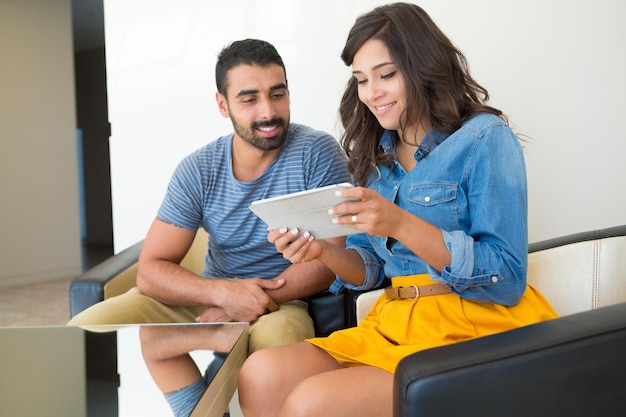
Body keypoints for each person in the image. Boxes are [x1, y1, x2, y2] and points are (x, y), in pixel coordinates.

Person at [237, 4, 558, 417]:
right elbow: (369, 267)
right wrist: (322, 252)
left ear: (423, 65)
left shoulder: (485, 139)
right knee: (260, 373)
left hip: (470, 325)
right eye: (361, 80)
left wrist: (400, 223)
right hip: (394, 320)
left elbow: (507, 278)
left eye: (386, 75)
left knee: (309, 405)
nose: (372, 93)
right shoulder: (376, 159)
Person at [68, 39, 351, 413]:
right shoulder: (198, 169)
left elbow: (333, 258)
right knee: (112, 329)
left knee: (279, 339)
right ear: (223, 105)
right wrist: (224, 296)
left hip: (286, 297)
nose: (269, 111)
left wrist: (249, 301)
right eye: (249, 99)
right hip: (215, 291)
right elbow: (151, 272)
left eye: (277, 94)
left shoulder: (316, 152)